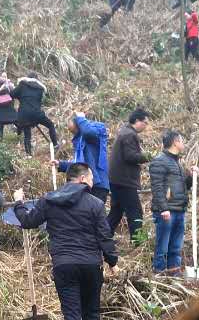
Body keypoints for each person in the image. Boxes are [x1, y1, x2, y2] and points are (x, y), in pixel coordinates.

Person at [13, 164, 118, 320]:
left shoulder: (49, 200)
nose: (93, 182)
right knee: (91, 311)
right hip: (90, 264)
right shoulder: (95, 204)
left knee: (71, 312)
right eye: (90, 178)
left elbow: (27, 221)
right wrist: (112, 261)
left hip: (63, 265)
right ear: (80, 179)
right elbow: (104, 236)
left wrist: (19, 202)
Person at [149, 130, 191, 275]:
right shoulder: (159, 161)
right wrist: (163, 208)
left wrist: (191, 176)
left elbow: (183, 187)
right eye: (181, 140)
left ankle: (174, 274)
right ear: (175, 142)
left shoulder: (176, 162)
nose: (183, 144)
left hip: (179, 209)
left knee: (175, 246)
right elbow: (157, 187)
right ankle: (159, 273)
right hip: (167, 211)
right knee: (163, 246)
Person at [107, 108, 150, 240]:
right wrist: (147, 156)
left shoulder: (125, 131)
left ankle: (100, 238)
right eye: (145, 122)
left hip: (117, 180)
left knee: (116, 212)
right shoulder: (129, 135)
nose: (146, 126)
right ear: (137, 121)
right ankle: (139, 242)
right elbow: (130, 156)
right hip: (124, 181)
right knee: (135, 212)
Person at [56, 112, 110, 204]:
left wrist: (81, 118)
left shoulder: (97, 130)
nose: (74, 133)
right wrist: (60, 165)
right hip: (85, 184)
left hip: (97, 185)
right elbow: (79, 165)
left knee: (93, 215)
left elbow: (88, 132)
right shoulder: (79, 140)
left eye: (75, 130)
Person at [13, 73, 58, 154]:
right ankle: (55, 144)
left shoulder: (22, 85)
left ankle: (28, 154)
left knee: (27, 135)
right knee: (50, 125)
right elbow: (38, 100)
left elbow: (12, 94)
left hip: (24, 114)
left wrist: (21, 96)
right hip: (36, 113)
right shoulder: (40, 89)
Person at [0, 72, 18, 140]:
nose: (5, 78)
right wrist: (1, 89)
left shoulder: (8, 84)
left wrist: (12, 87)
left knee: (17, 120)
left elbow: (15, 94)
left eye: (6, 76)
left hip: (9, 108)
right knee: (0, 125)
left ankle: (18, 133)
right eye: (3, 76)